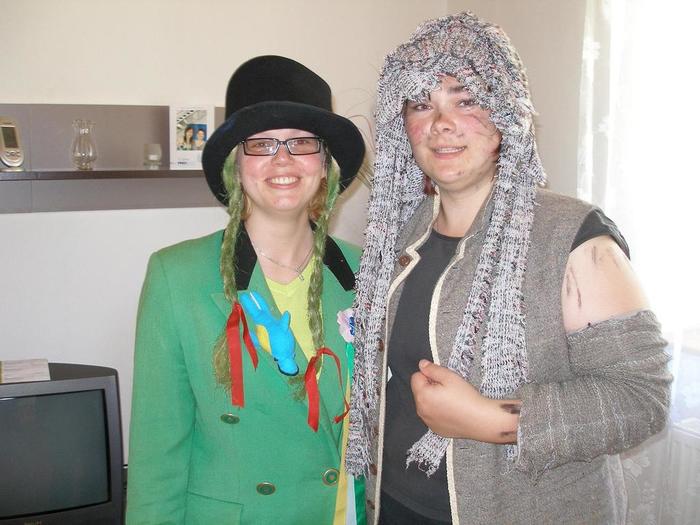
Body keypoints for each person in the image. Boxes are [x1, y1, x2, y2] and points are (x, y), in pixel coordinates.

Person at [346, 12, 671, 525]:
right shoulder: (399, 234)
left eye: (466, 99)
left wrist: (490, 420)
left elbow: (640, 398)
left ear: (506, 113)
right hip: (394, 506)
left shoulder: (573, 238)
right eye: (421, 104)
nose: (442, 123)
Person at [127, 55, 366, 524]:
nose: (283, 159)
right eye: (261, 144)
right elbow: (157, 460)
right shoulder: (176, 277)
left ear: (325, 164)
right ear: (236, 165)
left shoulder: (368, 272)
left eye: (302, 142)